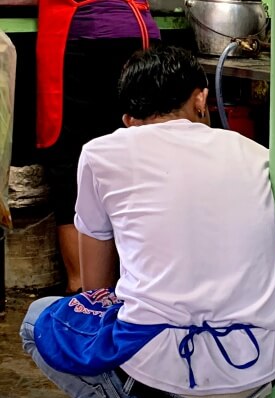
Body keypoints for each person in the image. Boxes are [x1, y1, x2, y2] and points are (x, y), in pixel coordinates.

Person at [20, 46, 275, 398]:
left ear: (129, 119)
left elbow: (98, 292)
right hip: (257, 379)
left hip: (157, 387)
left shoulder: (101, 153)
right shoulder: (261, 156)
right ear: (201, 100)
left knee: (37, 319)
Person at [36, 0, 161, 293]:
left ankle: (84, 292)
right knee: (135, 158)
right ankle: (134, 285)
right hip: (139, 34)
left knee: (71, 161)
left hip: (89, 39)